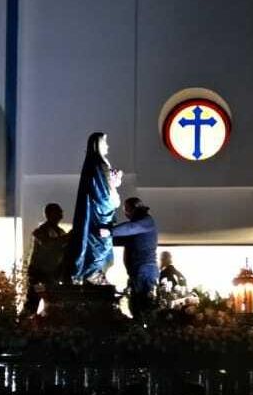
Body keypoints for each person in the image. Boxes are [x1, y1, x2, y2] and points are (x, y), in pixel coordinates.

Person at [61, 132, 121, 284]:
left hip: (100, 213)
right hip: (99, 214)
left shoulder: (95, 164)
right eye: (105, 143)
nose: (107, 146)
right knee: (100, 245)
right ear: (98, 145)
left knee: (101, 245)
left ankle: (94, 273)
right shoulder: (99, 164)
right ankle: (92, 273)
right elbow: (104, 195)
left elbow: (104, 188)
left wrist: (114, 183)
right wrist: (114, 188)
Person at [108, 197, 159, 319]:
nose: (125, 213)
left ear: (133, 209)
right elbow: (121, 238)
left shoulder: (146, 221)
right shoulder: (138, 228)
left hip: (145, 269)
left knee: (145, 305)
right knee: (137, 306)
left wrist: (109, 231)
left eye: (126, 209)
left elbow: (130, 228)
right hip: (137, 271)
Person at [20, 203, 70, 317]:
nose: (60, 215)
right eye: (58, 212)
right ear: (49, 214)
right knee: (32, 302)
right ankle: (24, 324)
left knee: (53, 304)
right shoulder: (40, 232)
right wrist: (66, 238)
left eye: (60, 212)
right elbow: (48, 244)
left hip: (52, 274)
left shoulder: (60, 232)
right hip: (38, 274)